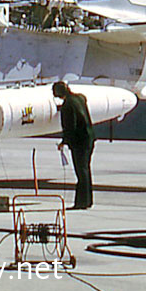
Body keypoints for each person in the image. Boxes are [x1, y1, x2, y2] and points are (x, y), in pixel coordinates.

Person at [54, 81, 95, 209]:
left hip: (80, 142)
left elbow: (70, 126)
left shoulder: (67, 106)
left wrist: (64, 141)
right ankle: (88, 200)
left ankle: (81, 202)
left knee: (81, 172)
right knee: (86, 170)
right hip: (89, 138)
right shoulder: (79, 98)